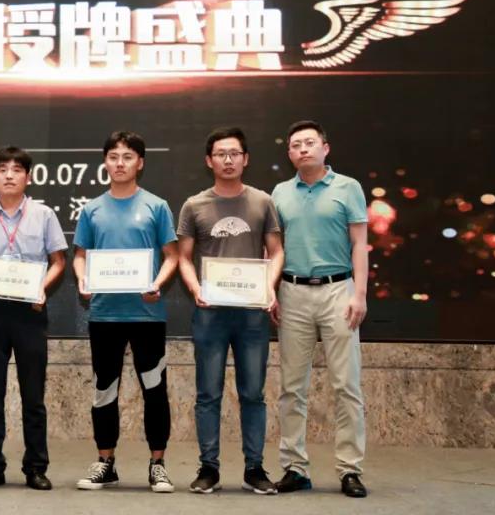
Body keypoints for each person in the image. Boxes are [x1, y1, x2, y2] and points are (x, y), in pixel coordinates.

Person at [177, 127, 283, 495]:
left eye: (234, 153)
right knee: (208, 393)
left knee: (253, 393)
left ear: (245, 159)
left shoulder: (262, 202)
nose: (228, 159)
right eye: (220, 153)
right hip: (211, 313)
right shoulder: (194, 205)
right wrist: (195, 288)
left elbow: (276, 251)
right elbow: (184, 257)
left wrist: (269, 286)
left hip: (252, 314)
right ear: (209, 161)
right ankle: (209, 467)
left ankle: (255, 468)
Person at [72, 131, 180, 493]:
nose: (120, 163)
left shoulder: (156, 206)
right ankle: (105, 462)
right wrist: (83, 278)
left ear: (140, 163)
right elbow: (80, 255)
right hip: (104, 314)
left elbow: (172, 256)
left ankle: (158, 464)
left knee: (154, 389)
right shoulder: (92, 209)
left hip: (147, 314)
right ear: (105, 162)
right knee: (104, 390)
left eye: (128, 157)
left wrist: (157, 283)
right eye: (114, 157)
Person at [271, 120, 369, 498]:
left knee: (347, 385)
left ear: (325, 148)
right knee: (291, 387)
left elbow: (359, 244)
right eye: (296, 145)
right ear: (289, 153)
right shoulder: (280, 192)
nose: (303, 149)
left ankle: (350, 469)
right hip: (292, 292)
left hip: (338, 291)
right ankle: (295, 467)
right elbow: (273, 249)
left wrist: (359, 294)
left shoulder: (348, 187)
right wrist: (270, 290)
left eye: (310, 143)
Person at [0, 146, 68, 491]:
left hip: (30, 312)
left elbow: (59, 261)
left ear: (28, 177)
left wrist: (42, 287)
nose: (9, 175)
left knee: (33, 397)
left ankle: (36, 467)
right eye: (2, 169)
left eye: (17, 170)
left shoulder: (44, 215)